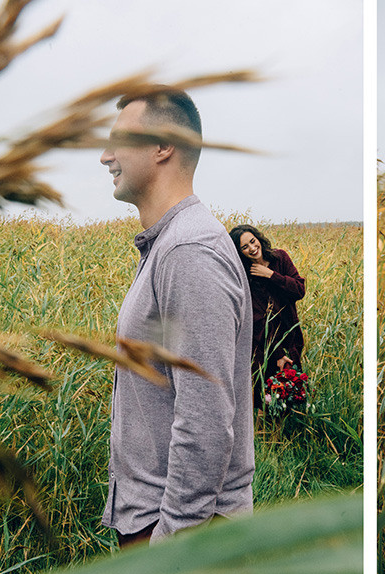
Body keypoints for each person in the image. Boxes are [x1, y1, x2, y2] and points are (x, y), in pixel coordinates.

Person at [100, 87, 254, 546]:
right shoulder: (168, 245)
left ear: (162, 146)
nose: (105, 156)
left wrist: (170, 545)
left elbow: (205, 415)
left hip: (178, 534)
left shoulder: (188, 251)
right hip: (158, 519)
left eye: (118, 140)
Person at [228, 223, 307, 408]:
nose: (252, 248)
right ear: (240, 252)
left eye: (253, 242)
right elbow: (257, 318)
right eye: (245, 247)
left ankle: (292, 431)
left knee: (293, 393)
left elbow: (299, 290)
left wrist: (271, 275)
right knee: (268, 397)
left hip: (291, 336)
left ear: (259, 239)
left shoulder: (280, 258)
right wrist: (277, 353)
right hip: (263, 345)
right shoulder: (245, 276)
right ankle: (268, 434)